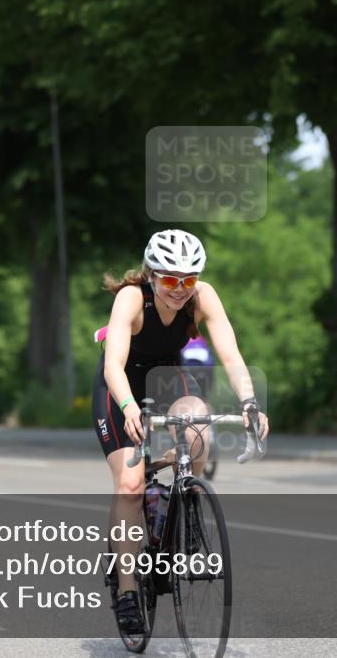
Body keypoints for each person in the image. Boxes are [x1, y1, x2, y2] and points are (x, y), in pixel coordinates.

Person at [92, 229, 269, 633]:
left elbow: (231, 355)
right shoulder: (132, 298)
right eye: (171, 280)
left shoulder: (202, 297)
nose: (180, 289)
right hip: (119, 386)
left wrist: (248, 402)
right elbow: (113, 365)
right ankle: (124, 591)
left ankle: (183, 503)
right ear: (152, 275)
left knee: (199, 427)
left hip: (167, 377)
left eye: (189, 280)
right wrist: (129, 407)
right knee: (132, 484)